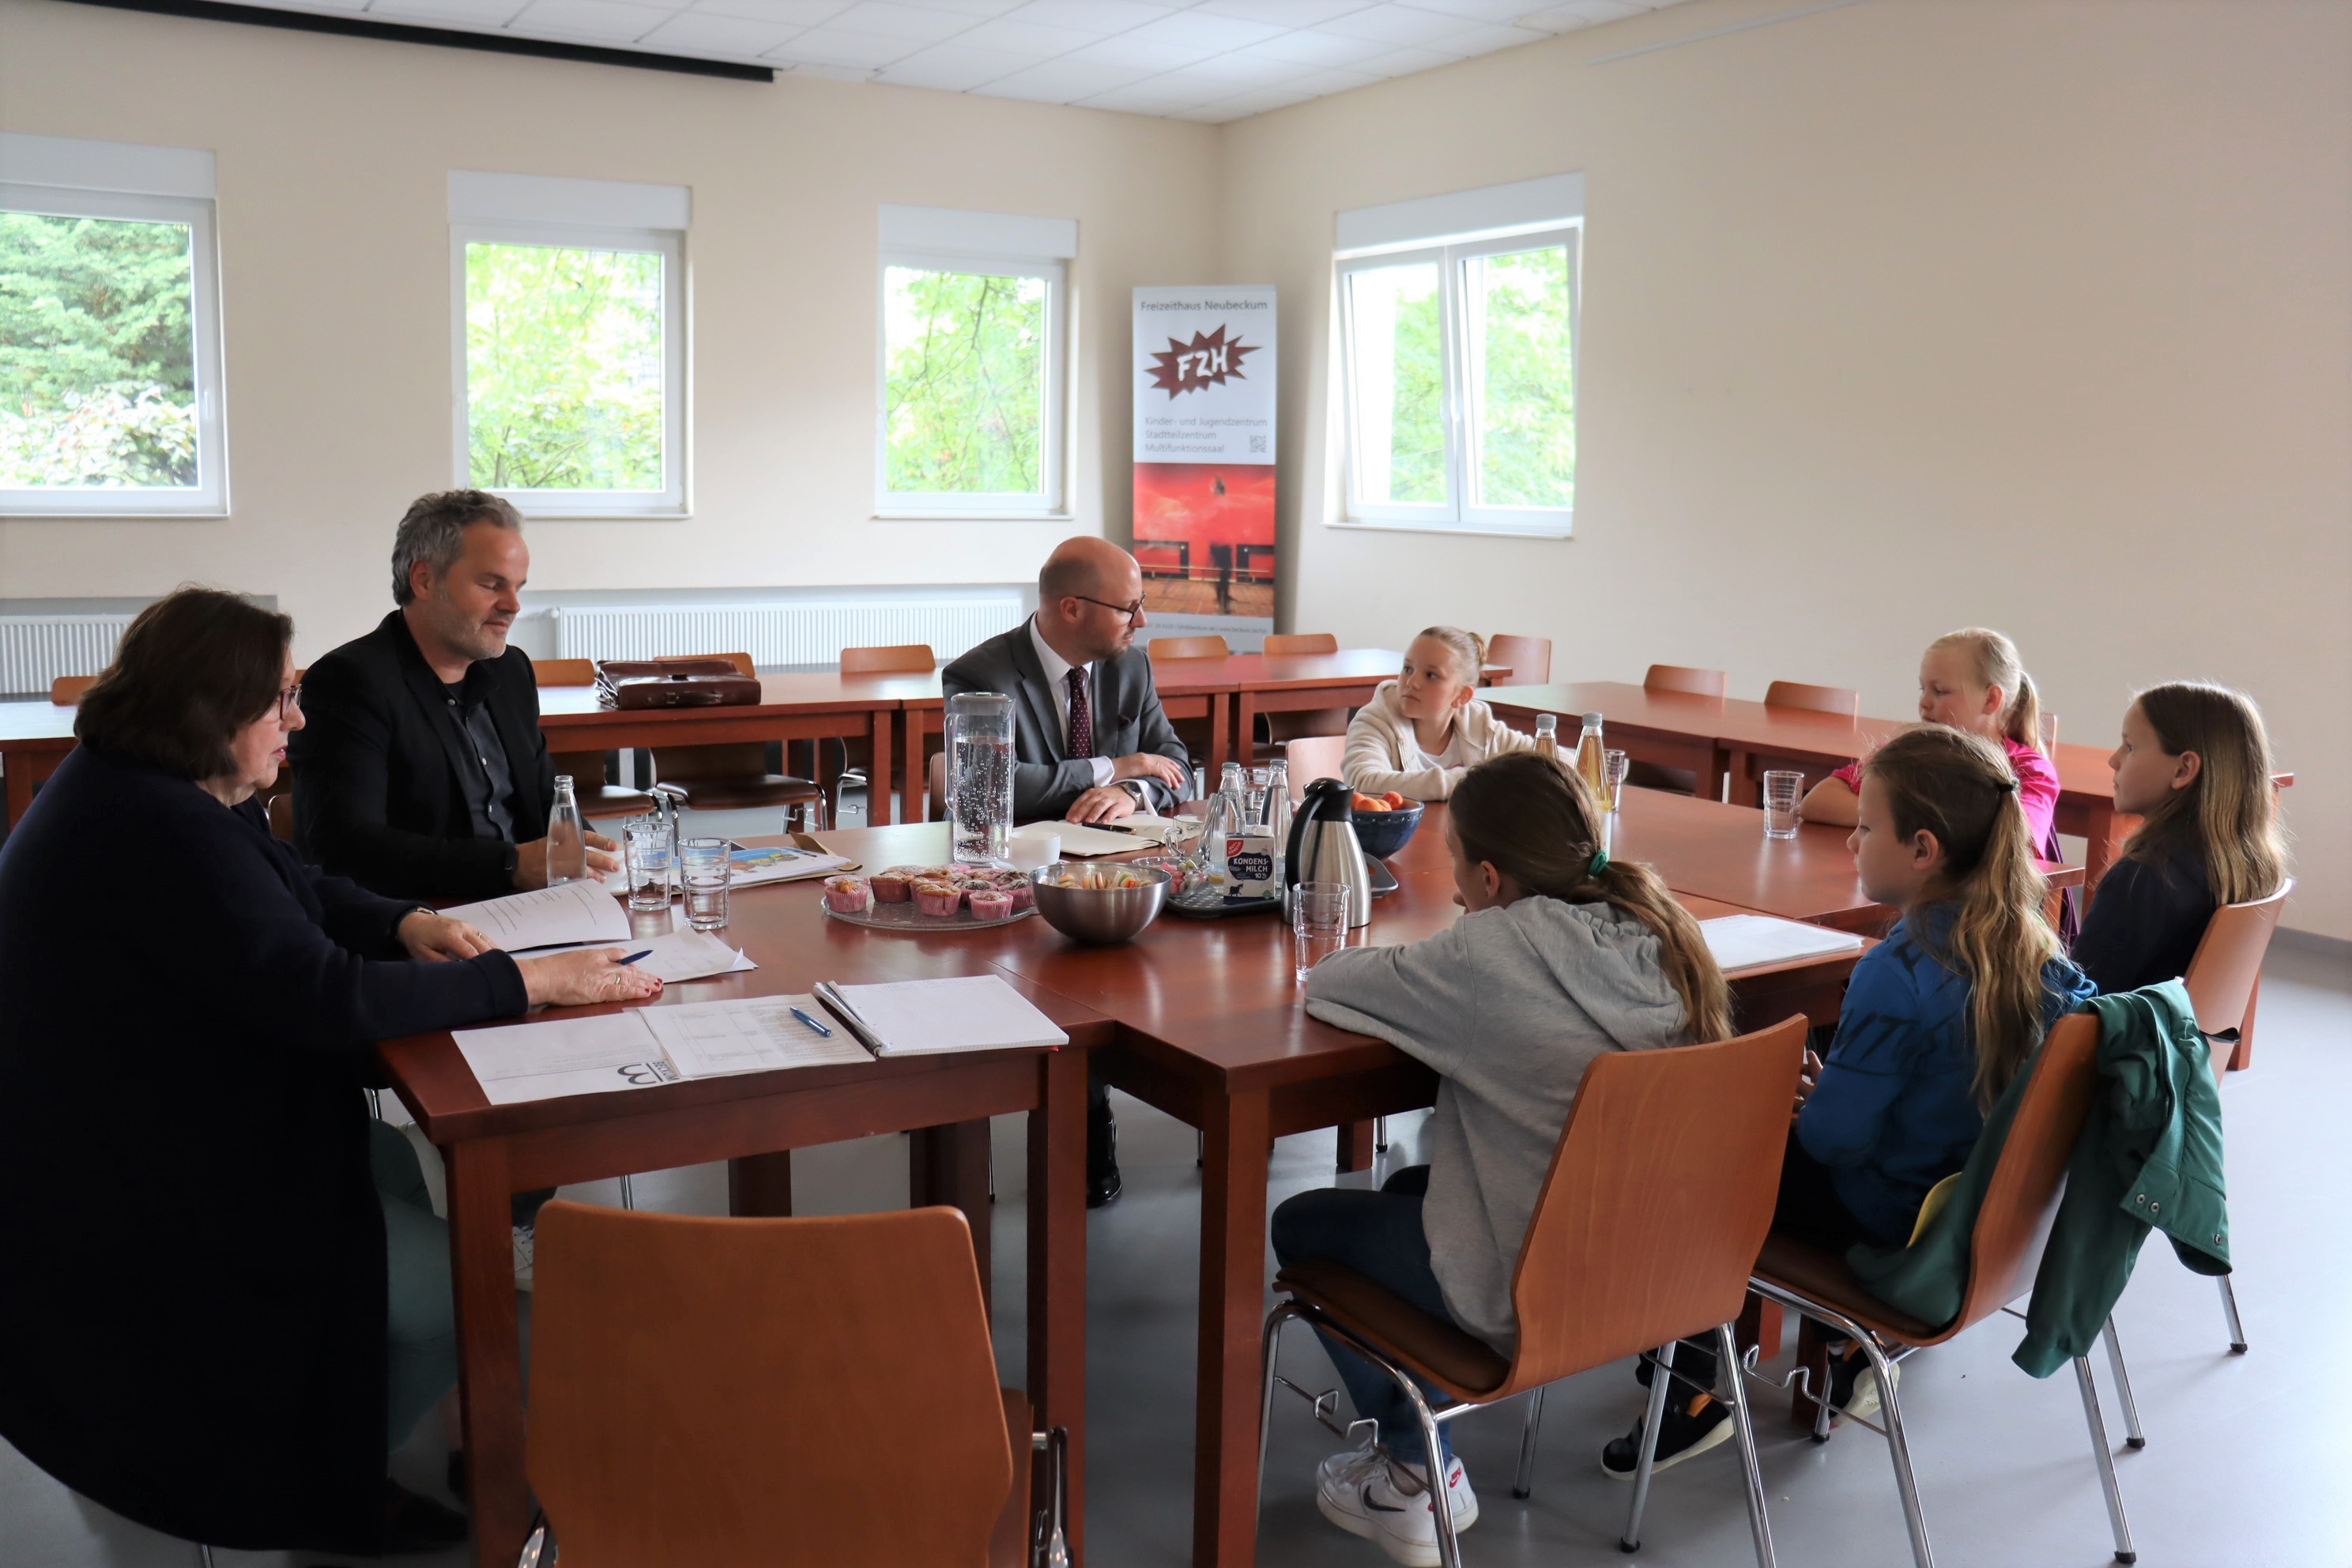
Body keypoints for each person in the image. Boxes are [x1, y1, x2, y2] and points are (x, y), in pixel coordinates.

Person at [0, 590, 658, 1558]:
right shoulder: (159, 830)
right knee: (495, 1304)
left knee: (390, 1165)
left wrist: (400, 921)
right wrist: (524, 980)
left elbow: (290, 883)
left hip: (136, 1137)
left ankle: (326, 1465)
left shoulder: (132, 781)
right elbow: (329, 999)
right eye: (280, 701)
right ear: (208, 710)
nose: (297, 722)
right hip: (153, 1198)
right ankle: (333, 1487)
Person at [1279, 751, 1732, 1566]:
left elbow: (1333, 982)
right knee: (1418, 1185)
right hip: (1661, 1278)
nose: (1454, 890)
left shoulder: (1490, 953)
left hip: (1536, 1292)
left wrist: (1467, 937)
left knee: (1304, 1222)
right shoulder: (1668, 932)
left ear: (1489, 875)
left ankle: (1417, 1474)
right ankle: (1427, 1422)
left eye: (1458, 871)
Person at [1608, 725, 2094, 1478]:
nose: (1851, 842)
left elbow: (1834, 1143)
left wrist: (1816, 1104)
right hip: (1976, 1214)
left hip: (1887, 1218)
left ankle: (1698, 1385)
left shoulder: (1898, 968)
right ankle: (1844, 1346)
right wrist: (1832, 1097)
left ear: (1924, 849)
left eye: (1866, 828)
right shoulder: (2033, 944)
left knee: (1695, 1165)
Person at [944, 536, 1190, 1208]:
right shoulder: (980, 674)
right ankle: (1080, 1116)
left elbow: (1176, 765)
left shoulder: (1131, 667)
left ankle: (1094, 1102)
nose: (1141, 624)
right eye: (1129, 609)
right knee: (1064, 995)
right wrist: (1113, 766)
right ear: (1073, 608)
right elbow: (990, 790)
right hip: (1018, 884)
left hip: (1116, 878)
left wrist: (1131, 792)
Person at [292, 488, 620, 903]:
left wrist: (595, 856)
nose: (514, 605)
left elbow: (543, 802)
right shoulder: (349, 682)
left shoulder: (511, 670)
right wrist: (511, 865)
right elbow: (346, 849)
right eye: (492, 584)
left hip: (534, 909)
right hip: (423, 922)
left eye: (518, 587)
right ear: (424, 580)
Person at [2072, 682, 2287, 993]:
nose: (2114, 760)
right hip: (2184, 1040)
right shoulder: (2250, 866)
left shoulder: (2142, 879)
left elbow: (2078, 1004)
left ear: (2184, 769)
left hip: (2121, 1042)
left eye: (2130, 747)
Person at [1800, 627, 2061, 854]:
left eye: (1940, 691)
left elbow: (2016, 839)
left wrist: (1894, 819)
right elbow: (1816, 802)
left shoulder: (2031, 770)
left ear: (1991, 699)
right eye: (1923, 689)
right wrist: (1908, 820)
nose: (1924, 702)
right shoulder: (1907, 752)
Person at [1341, 627, 1536, 801]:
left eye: (1431, 676)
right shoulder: (1374, 720)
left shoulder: (1479, 723)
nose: (1411, 682)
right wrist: (1475, 780)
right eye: (1408, 669)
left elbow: (1555, 757)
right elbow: (1364, 784)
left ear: (1462, 695)